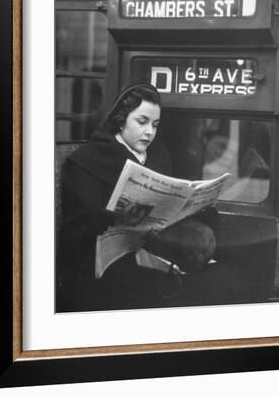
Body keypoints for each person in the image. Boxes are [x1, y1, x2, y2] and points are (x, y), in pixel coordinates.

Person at [56, 83, 217, 312]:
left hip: (150, 246)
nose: (150, 131)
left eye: (155, 125)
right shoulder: (88, 159)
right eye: (142, 122)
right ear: (121, 120)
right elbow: (77, 230)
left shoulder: (158, 156)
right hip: (100, 264)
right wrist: (116, 218)